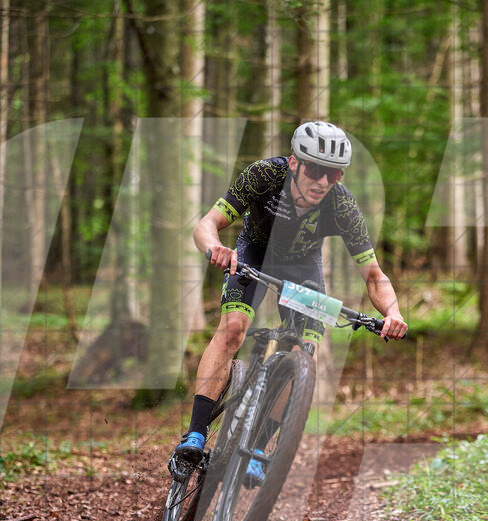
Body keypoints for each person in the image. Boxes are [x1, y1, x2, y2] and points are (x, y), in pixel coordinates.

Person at [168, 121, 407, 485]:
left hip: (302, 269)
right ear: (294, 163)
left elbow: (374, 274)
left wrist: (392, 312)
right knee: (233, 330)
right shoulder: (263, 175)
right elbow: (206, 224)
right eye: (314, 169)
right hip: (254, 255)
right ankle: (196, 435)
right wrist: (215, 247)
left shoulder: (342, 205)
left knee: (304, 350)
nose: (322, 182)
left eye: (333, 174)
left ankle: (259, 447)